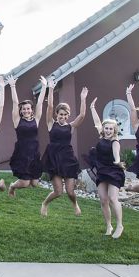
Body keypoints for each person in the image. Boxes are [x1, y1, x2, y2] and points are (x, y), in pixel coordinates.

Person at [40, 80, 87, 217]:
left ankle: (74, 204)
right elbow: (49, 106)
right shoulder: (51, 124)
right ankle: (45, 204)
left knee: (71, 191)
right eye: (61, 114)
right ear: (56, 114)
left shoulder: (70, 126)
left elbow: (82, 115)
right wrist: (51, 88)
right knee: (59, 192)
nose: (63, 117)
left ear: (68, 115)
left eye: (66, 115)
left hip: (67, 158)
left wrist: (83, 99)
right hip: (54, 158)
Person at [88, 99, 125, 238]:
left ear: (114, 130)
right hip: (102, 170)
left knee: (112, 198)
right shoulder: (101, 134)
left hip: (114, 171)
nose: (108, 130)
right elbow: (97, 122)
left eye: (111, 128)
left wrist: (117, 161)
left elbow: (116, 154)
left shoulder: (115, 141)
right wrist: (92, 108)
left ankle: (120, 225)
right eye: (106, 128)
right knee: (103, 199)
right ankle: (109, 225)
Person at [7, 75, 48, 197]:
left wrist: (45, 86)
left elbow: (40, 102)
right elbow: (15, 102)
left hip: (34, 153)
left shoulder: (36, 119)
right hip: (22, 153)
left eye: (28, 109)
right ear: (21, 111)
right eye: (23, 109)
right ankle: (12, 186)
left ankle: (21, 183)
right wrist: (13, 86)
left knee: (34, 183)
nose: (26, 110)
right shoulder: (17, 120)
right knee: (25, 183)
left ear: (31, 110)